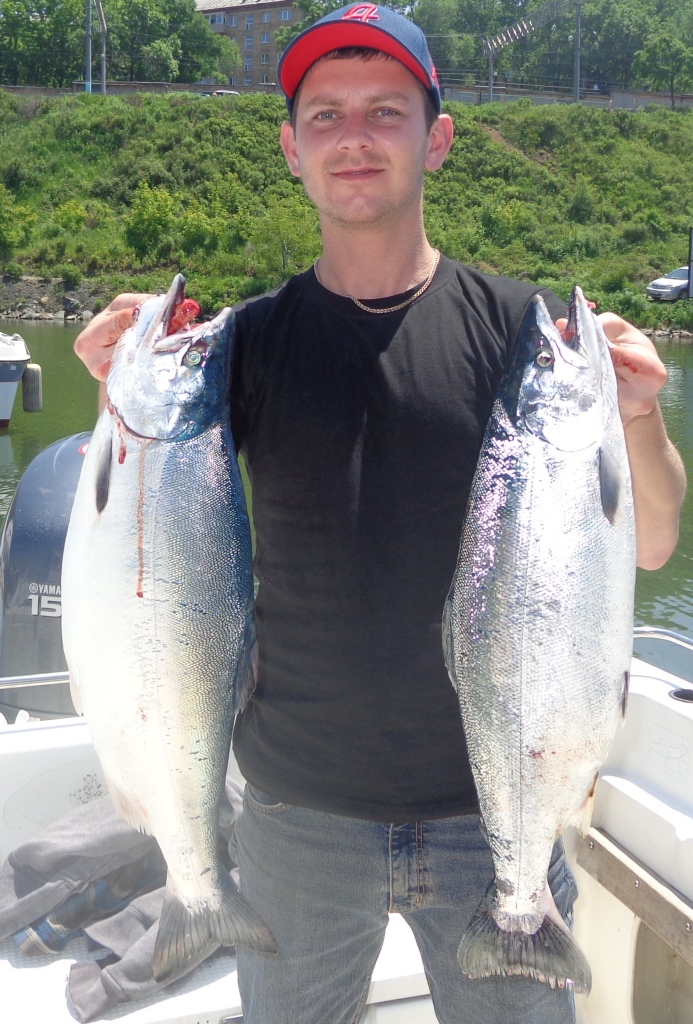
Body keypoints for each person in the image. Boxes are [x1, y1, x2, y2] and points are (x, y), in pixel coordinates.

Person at [74, 6, 686, 1023]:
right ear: (292, 148)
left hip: (496, 811)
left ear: (436, 139)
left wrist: (638, 416)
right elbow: (148, 537)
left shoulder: (525, 335)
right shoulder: (243, 343)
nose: (353, 137)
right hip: (293, 813)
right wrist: (114, 392)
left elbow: (653, 539)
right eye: (326, 115)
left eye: (385, 112)